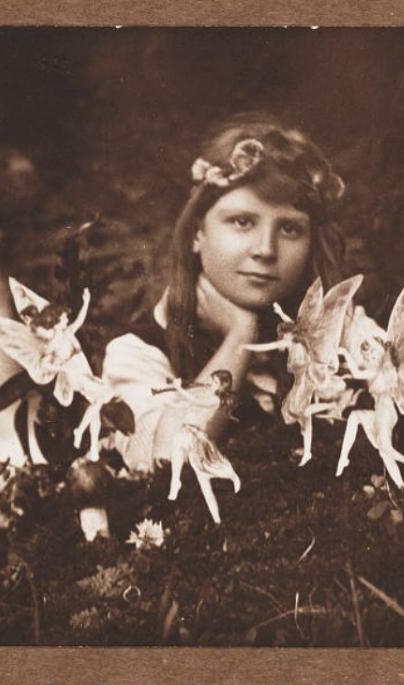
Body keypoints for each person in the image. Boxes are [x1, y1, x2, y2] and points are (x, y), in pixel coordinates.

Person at [102, 115, 353, 473]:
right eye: (242, 222)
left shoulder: (330, 333)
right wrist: (240, 336)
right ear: (195, 233)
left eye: (290, 229)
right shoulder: (139, 352)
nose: (266, 249)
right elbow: (168, 459)